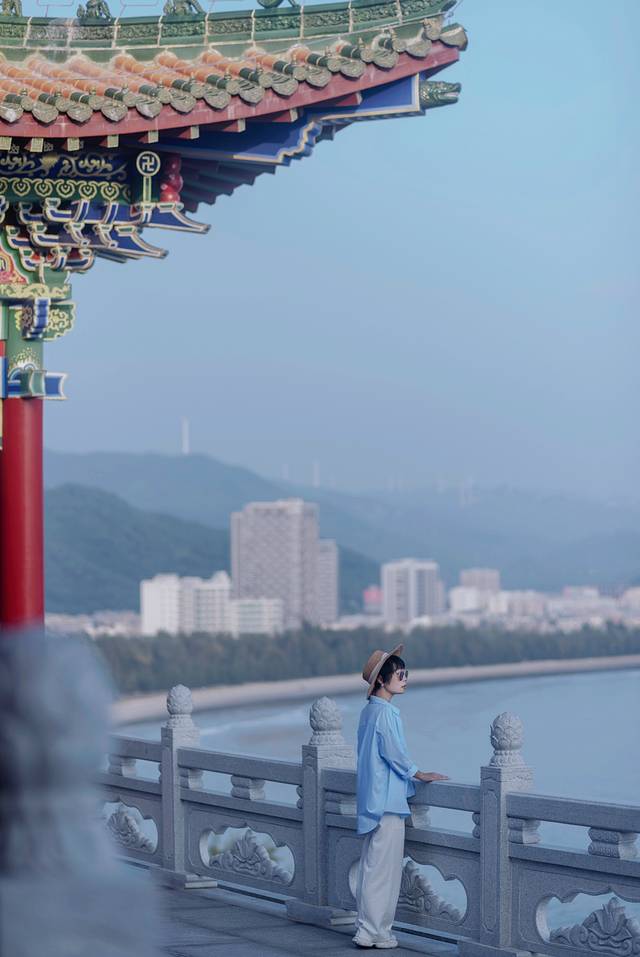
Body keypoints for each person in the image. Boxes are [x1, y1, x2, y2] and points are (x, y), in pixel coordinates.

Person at [353, 645, 448, 950]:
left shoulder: (368, 712)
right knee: (384, 871)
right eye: (400, 674)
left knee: (373, 867)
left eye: (406, 673)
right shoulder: (385, 714)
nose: (405, 679)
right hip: (387, 802)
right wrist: (419, 773)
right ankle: (371, 930)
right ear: (382, 680)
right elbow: (393, 753)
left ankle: (374, 930)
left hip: (372, 799)